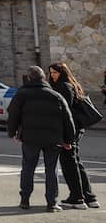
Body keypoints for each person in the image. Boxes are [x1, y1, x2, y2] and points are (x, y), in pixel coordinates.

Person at [8, 65, 76, 212]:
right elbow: (68, 119)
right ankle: (52, 203)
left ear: (29, 78)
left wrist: (13, 132)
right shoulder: (55, 95)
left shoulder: (22, 94)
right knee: (51, 170)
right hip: (53, 139)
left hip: (30, 138)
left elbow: (13, 114)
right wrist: (69, 140)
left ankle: (25, 200)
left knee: (28, 168)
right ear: (44, 77)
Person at [49, 62, 99, 209]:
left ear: (62, 73)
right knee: (75, 162)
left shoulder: (64, 87)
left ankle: (77, 198)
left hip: (70, 130)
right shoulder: (71, 85)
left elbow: (66, 113)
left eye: (55, 72)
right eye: (51, 72)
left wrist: (67, 138)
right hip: (75, 128)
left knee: (69, 163)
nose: (52, 75)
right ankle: (89, 197)